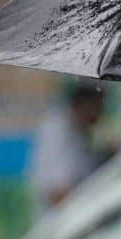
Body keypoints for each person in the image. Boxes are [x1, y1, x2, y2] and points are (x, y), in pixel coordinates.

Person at [26, 81, 105, 215]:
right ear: (83, 104)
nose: (101, 114)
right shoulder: (58, 132)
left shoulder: (80, 133)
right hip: (61, 222)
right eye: (97, 106)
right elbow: (58, 192)